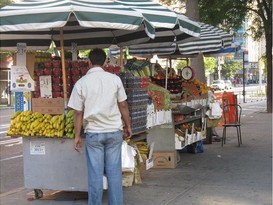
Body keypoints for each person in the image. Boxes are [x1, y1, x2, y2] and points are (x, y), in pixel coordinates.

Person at [68, 48, 132, 205]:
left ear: (89, 62)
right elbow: (123, 105)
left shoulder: (81, 83)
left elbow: (77, 113)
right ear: (105, 62)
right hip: (114, 132)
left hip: (94, 134)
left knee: (95, 175)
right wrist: (128, 126)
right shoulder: (115, 79)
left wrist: (77, 135)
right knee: (114, 174)